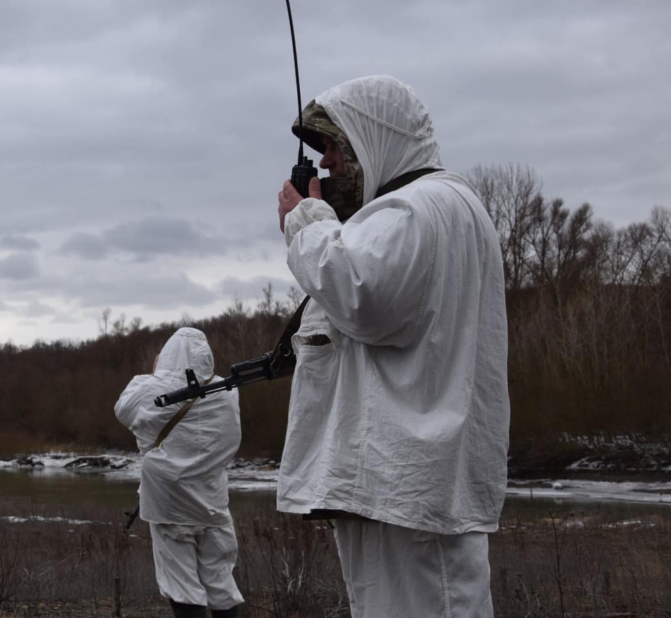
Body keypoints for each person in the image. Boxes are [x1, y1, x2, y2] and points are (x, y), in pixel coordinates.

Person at [275, 75, 510, 617]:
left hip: (408, 488)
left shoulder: (418, 207)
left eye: (333, 144)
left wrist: (306, 224)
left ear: (372, 136)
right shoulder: (433, 207)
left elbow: (362, 295)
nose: (327, 161)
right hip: (397, 485)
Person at [114, 327, 244, 618]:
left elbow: (124, 408)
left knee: (181, 585)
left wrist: (157, 372)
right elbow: (230, 440)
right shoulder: (227, 391)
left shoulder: (152, 389)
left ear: (170, 354)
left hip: (169, 502)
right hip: (212, 498)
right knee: (221, 582)